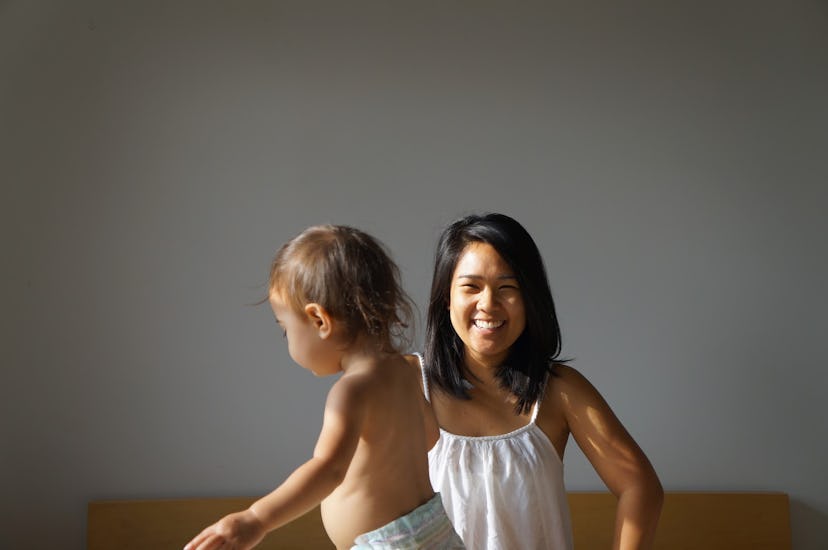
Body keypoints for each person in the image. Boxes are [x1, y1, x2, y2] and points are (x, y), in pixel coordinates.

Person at [184, 225, 464, 550]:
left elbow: (328, 469)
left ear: (319, 320)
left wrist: (256, 518)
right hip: (435, 530)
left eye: (285, 328)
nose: (287, 339)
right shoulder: (406, 370)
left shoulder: (352, 391)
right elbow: (430, 436)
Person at [418, 213, 663, 549]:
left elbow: (641, 487)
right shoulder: (409, 385)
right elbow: (352, 487)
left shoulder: (560, 389)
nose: (488, 304)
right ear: (447, 298)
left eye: (507, 288)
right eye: (471, 287)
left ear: (530, 299)